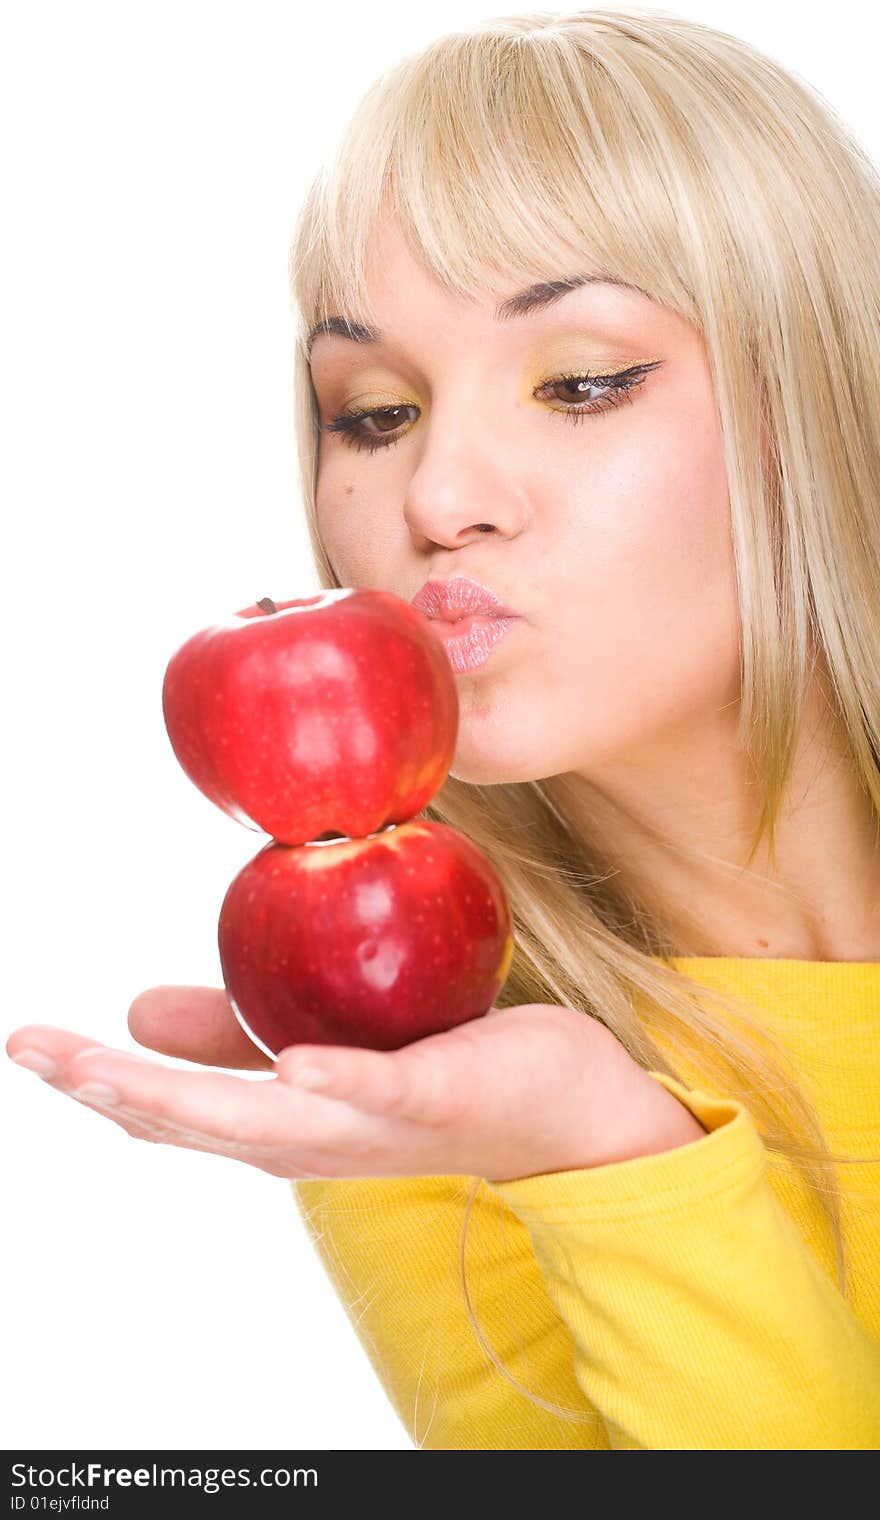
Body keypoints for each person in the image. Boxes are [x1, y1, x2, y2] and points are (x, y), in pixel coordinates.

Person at [7, 7, 880, 1450]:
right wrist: (606, 1159)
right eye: (376, 411)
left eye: (581, 382)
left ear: (830, 397)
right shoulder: (425, 1073)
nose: (434, 496)